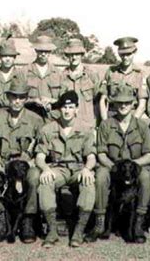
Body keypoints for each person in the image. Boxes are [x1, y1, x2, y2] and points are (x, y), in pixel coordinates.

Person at [89, 84, 150, 244]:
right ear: (113, 104)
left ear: (133, 104)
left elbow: (149, 155)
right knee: (101, 176)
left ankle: (138, 222)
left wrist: (132, 166)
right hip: (112, 166)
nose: (123, 106)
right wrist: (116, 168)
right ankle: (100, 222)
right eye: (119, 103)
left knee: (145, 176)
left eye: (126, 102)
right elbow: (102, 154)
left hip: (135, 167)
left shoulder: (142, 126)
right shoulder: (106, 125)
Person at [0, 79, 44, 243]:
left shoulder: (36, 120)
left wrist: (33, 161)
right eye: (14, 97)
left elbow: (42, 146)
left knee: (33, 177)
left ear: (26, 99)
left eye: (21, 97)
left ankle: (28, 220)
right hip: (4, 164)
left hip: (26, 165)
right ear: (8, 98)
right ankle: (1, 221)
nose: (17, 101)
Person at [35, 91, 96, 248]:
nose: (67, 111)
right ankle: (52, 230)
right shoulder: (48, 129)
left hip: (78, 169)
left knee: (88, 183)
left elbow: (91, 156)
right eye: (64, 107)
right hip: (58, 168)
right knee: (45, 182)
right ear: (59, 109)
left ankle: (78, 231)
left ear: (76, 109)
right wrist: (45, 169)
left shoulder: (85, 129)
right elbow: (40, 156)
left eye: (71, 107)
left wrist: (87, 169)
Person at [99, 37, 147, 120]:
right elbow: (103, 100)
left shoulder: (140, 74)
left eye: (128, 54)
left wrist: (132, 124)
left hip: (132, 115)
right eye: (122, 54)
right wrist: (105, 122)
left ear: (134, 52)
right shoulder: (111, 71)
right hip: (112, 115)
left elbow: (142, 104)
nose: (125, 58)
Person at [60, 38, 101, 129]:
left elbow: (98, 102)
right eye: (71, 54)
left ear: (82, 55)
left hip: (87, 125)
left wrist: (97, 125)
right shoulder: (61, 76)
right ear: (67, 55)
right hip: (68, 126)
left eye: (77, 54)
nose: (74, 57)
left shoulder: (92, 75)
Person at [24, 35, 63, 120]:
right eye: (40, 51)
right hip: (30, 117)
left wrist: (51, 101)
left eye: (46, 51)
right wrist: (33, 101)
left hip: (51, 119)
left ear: (50, 52)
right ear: (36, 50)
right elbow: (18, 99)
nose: (43, 54)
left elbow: (63, 100)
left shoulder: (58, 74)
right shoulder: (25, 72)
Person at [0, 39, 26, 119]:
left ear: (14, 57)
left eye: (10, 56)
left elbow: (25, 99)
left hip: (16, 115)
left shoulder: (21, 75)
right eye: (4, 56)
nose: (7, 59)